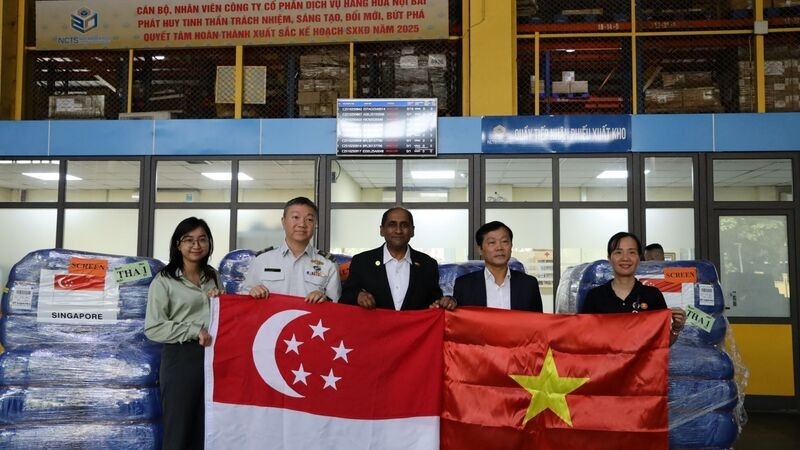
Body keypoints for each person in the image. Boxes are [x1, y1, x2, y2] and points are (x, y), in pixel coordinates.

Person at [145, 217, 221, 450]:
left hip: (212, 358)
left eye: (202, 240)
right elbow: (153, 327)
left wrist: (222, 301)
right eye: (189, 240)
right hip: (180, 358)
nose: (196, 245)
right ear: (178, 244)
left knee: (206, 428)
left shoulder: (213, 276)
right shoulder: (164, 280)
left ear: (209, 243)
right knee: (179, 428)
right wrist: (193, 329)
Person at [340, 206, 456, 311]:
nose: (398, 230)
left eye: (404, 225)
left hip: (414, 333)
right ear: (382, 230)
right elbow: (345, 297)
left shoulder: (427, 264)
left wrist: (446, 301)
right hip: (374, 332)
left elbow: (434, 302)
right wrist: (358, 296)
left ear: (412, 231)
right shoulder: (362, 262)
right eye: (392, 224)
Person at [580, 232, 686, 345]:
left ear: (639, 258)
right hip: (605, 362)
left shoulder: (653, 295)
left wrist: (675, 328)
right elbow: (584, 340)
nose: (625, 258)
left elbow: (661, 344)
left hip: (642, 363)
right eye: (618, 252)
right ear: (609, 258)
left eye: (631, 252)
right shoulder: (595, 296)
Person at [242, 196, 340, 302]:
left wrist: (325, 298)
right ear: (283, 222)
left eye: (309, 219)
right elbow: (244, 298)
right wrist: (252, 292)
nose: (302, 224)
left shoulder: (328, 264)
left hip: (311, 319)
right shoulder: (262, 260)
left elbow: (336, 305)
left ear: (315, 225)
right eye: (295, 217)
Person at [453, 221, 543, 312]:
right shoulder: (464, 285)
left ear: (511, 246)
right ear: (480, 249)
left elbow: (537, 322)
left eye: (504, 241)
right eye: (492, 242)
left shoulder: (529, 284)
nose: (499, 247)